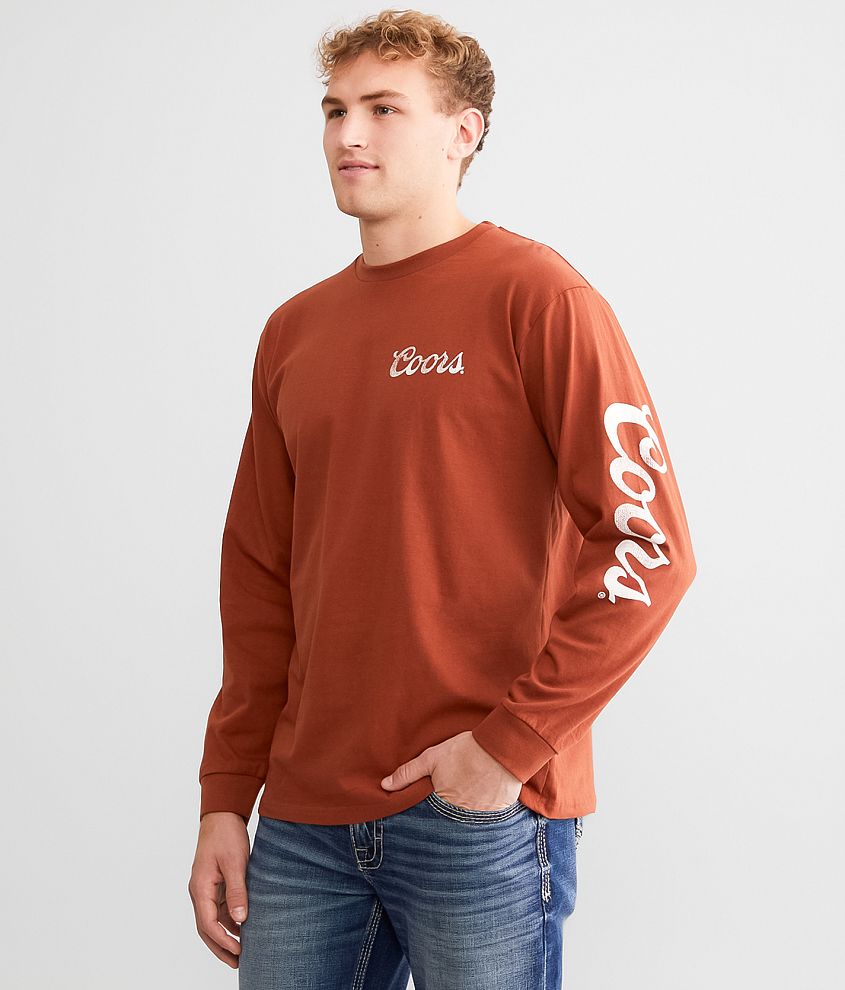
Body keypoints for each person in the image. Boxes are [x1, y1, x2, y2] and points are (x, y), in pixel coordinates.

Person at [187, 9, 697, 988]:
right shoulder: (293, 333)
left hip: (479, 813)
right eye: (334, 110)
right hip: (303, 822)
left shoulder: (538, 298)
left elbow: (647, 544)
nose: (348, 134)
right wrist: (226, 793)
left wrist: (508, 749)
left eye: (383, 109)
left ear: (464, 132)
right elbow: (257, 579)